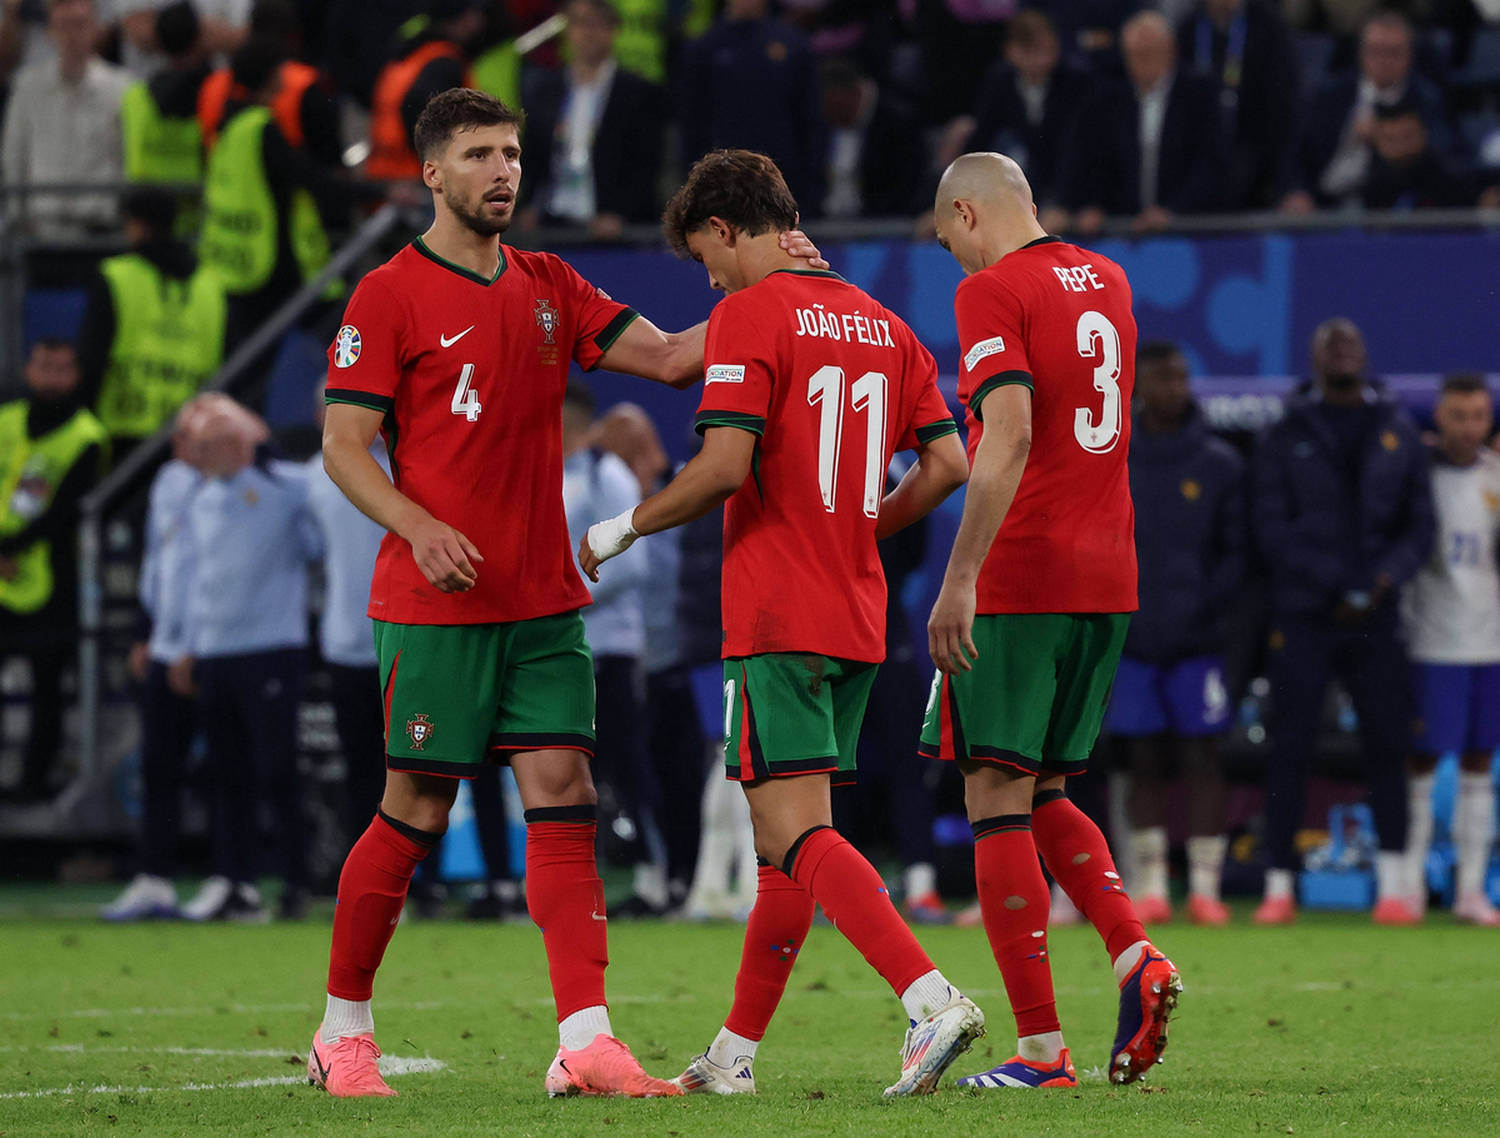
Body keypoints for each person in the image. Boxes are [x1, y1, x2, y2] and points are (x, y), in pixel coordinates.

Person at [308, 88, 826, 1100]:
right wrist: (418, 524)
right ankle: (343, 1030)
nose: (502, 169)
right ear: (431, 172)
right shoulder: (388, 294)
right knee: (411, 807)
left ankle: (585, 1039)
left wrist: (763, 288)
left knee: (568, 798)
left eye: (510, 152)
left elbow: (678, 358)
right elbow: (342, 445)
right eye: (477, 155)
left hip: (543, 601)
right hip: (435, 603)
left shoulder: (550, 283)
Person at [582, 147, 979, 1098]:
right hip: (854, 609)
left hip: (774, 609)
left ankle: (931, 999)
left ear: (724, 230)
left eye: (703, 261)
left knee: (796, 836)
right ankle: (732, 1057)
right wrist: (866, 524)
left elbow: (722, 467)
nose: (708, 279)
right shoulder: (885, 323)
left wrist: (621, 526)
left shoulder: (750, 313)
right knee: (786, 850)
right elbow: (952, 463)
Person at [920, 151, 1179, 1091]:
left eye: (947, 234)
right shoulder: (1104, 277)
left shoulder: (994, 290)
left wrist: (961, 579)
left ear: (969, 212)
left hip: (1025, 574)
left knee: (993, 795)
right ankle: (1133, 955)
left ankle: (1040, 1051)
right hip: (1108, 571)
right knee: (1048, 789)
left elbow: (1015, 432)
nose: (950, 254)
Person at [1251, 317, 1434, 926]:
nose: (1343, 353)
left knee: (1388, 743)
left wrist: (1383, 579)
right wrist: (1337, 582)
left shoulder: (1397, 430)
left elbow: (1419, 524)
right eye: (1332, 345)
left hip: (1376, 615)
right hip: (1306, 611)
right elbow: (1271, 528)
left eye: (1351, 344)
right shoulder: (1285, 433)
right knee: (1290, 745)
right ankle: (1278, 883)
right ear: (1314, 357)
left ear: (1366, 354)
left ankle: (1394, 884)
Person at [1102, 341, 1245, 927]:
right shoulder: (1114, 456)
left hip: (1198, 640)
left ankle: (1207, 887)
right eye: (1164, 378)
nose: (1176, 387)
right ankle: (1154, 883)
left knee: (1203, 754)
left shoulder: (1219, 463)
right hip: (1132, 636)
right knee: (1141, 758)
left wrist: (1205, 611)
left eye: (1183, 376)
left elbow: (1237, 553)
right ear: (1137, 388)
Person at [175, 396, 321, 923]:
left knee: (279, 771)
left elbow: (318, 496)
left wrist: (258, 435)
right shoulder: (201, 497)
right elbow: (201, 579)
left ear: (238, 444)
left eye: (211, 444)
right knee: (225, 772)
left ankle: (296, 880)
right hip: (216, 651)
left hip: (271, 649)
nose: (200, 454)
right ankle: (235, 880)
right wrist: (189, 644)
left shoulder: (283, 486)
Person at [560, 380, 665, 915]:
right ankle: (588, 883)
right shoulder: (555, 475)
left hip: (609, 649)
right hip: (564, 648)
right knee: (575, 774)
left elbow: (633, 566)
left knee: (627, 765)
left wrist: (564, 598)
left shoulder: (608, 474)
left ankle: (653, 877)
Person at [595, 401, 705, 908]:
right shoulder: (617, 501)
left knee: (690, 777)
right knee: (648, 775)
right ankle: (660, 876)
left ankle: (689, 876)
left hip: (687, 660)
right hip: (644, 662)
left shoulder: (688, 491)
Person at [1401, 373, 1500, 927]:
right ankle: (1409, 888)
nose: (1469, 427)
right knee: (1421, 761)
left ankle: (1470, 893)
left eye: (1478, 416)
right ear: (1440, 418)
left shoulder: (1498, 477)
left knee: (1480, 763)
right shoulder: (1418, 477)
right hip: (1432, 638)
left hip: (1490, 639)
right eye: (1458, 416)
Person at [100, 403, 204, 920]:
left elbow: (216, 576)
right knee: (159, 767)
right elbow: (160, 564)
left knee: (231, 770)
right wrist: (147, 631)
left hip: (210, 647)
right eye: (181, 432)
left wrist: (195, 643)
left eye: (195, 433)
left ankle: (234, 879)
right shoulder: (168, 481)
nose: (183, 443)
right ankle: (154, 878)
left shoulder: (232, 486)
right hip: (164, 644)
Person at [0, 339, 108, 803]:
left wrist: (10, 549)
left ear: (76, 376)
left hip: (53, 578)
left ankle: (32, 785)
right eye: (44, 367)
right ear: (28, 370)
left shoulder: (86, 435)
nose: (52, 378)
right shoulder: (5, 421)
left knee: (47, 688)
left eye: (62, 369)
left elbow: (62, 511)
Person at [76, 186, 227, 462]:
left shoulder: (116, 276)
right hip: (192, 432)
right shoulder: (211, 285)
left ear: (138, 224)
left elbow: (92, 356)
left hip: (122, 428)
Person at [1062, 10, 1227, 235]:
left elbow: (1211, 165)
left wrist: (1173, 212)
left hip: (1189, 230)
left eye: (1148, 54)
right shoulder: (1110, 101)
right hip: (1128, 232)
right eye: (1133, 55)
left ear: (1170, 50)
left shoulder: (1200, 95)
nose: (1139, 63)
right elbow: (1097, 162)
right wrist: (1094, 205)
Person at [936, 10, 1093, 230]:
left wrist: (1064, 205)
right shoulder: (1001, 82)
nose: (1048, 58)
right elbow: (980, 142)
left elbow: (1078, 150)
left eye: (1051, 50)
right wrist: (948, 204)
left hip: (1067, 194)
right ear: (1013, 52)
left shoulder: (1074, 84)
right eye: (1038, 51)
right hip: (1027, 186)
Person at [522, 0, 666, 237]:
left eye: (596, 24)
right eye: (579, 23)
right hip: (552, 222)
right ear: (567, 30)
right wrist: (530, 206)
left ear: (612, 30)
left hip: (610, 225)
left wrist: (622, 215)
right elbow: (533, 154)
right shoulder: (545, 90)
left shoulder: (637, 93)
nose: (587, 33)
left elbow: (646, 164)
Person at [1284, 11, 1452, 212]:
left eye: (1393, 52)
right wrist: (1297, 191)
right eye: (1376, 51)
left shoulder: (1426, 100)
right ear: (1361, 53)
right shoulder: (1331, 95)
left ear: (1409, 56)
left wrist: (1394, 144)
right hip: (1321, 205)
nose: (1384, 61)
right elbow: (1298, 154)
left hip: (1386, 211)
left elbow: (1445, 160)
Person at [1, 0, 130, 237]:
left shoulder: (121, 89)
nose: (72, 35)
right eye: (64, 25)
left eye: (80, 25)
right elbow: (14, 157)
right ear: (51, 31)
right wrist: (18, 219)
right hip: (41, 230)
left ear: (95, 30)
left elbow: (126, 157)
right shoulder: (28, 88)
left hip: (100, 230)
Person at [679, 0, 824, 212]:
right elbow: (693, 122)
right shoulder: (704, 48)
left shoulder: (792, 44)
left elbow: (810, 119)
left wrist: (813, 185)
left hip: (786, 179)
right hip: (723, 182)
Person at [1176, 0, 1299, 209]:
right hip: (1197, 153)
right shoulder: (1188, 27)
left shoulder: (1268, 27)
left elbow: (1281, 106)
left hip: (1253, 149)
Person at [363, 1, 482, 182]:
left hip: (385, 172)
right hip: (414, 180)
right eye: (472, 14)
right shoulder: (443, 62)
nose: (477, 23)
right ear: (458, 19)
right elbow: (418, 109)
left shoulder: (411, 54)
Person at [120, 1, 210, 189]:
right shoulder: (214, 98)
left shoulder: (136, 97)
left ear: (158, 44)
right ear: (200, 40)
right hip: (199, 214)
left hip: (150, 212)